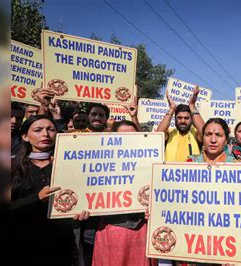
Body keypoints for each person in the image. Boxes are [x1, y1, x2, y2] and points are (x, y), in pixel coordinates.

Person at [11, 115, 89, 265]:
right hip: (22, 245)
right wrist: (36, 198)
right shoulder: (13, 167)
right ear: (25, 136)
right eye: (38, 130)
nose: (45, 134)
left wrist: (80, 213)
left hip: (61, 246)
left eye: (51, 129)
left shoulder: (70, 166)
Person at [91, 120, 152, 266]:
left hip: (142, 229)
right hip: (111, 230)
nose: (128, 141)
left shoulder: (151, 164)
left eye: (132, 137)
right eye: (123, 137)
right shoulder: (98, 166)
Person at [157, 86, 204, 162]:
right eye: (179, 118)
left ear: (192, 119)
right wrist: (172, 109)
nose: (182, 121)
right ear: (175, 118)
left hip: (191, 173)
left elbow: (205, 133)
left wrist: (192, 105)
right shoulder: (170, 134)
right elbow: (158, 136)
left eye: (186, 118)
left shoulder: (195, 133)